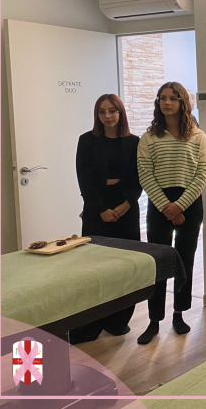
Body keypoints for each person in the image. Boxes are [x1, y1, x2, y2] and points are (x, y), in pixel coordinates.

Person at [136, 82, 206, 345]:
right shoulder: (149, 137)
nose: (167, 103)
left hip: (190, 204)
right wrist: (167, 207)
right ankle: (154, 320)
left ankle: (179, 314)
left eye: (173, 98)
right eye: (163, 98)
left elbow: (202, 174)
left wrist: (180, 205)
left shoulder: (198, 136)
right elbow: (145, 173)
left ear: (183, 102)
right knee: (157, 263)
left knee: (184, 260)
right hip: (159, 205)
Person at [71, 94, 142, 344]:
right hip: (96, 207)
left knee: (125, 265)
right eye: (102, 112)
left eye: (113, 111)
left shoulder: (134, 142)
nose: (107, 116)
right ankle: (91, 324)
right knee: (95, 267)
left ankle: (118, 321)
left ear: (120, 113)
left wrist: (126, 204)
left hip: (126, 207)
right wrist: (101, 209)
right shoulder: (86, 141)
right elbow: (85, 179)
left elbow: (138, 178)